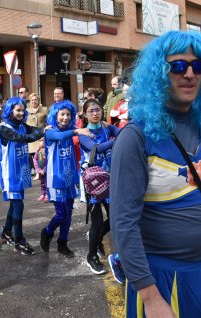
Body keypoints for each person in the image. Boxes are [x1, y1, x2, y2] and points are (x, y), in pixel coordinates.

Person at [110, 30, 201, 317]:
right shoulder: (135, 137)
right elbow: (123, 223)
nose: (189, 73)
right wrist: (149, 295)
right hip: (164, 282)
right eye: (177, 66)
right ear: (159, 73)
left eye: (198, 65)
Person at [40, 100, 94, 258]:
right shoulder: (50, 131)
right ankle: (48, 231)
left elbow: (86, 133)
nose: (65, 117)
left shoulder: (73, 129)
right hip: (55, 178)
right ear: (55, 115)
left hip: (70, 178)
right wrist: (78, 132)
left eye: (68, 114)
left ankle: (62, 243)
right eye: (62, 114)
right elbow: (59, 136)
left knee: (69, 213)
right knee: (61, 213)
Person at [0, 96, 45, 255]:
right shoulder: (4, 128)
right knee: (18, 204)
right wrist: (40, 133)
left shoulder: (22, 125)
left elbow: (35, 131)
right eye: (17, 110)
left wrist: (42, 131)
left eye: (22, 110)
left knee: (15, 203)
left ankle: (6, 232)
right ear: (9, 111)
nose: (20, 113)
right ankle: (19, 240)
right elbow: (23, 137)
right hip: (10, 173)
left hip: (21, 171)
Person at [79, 98, 120, 275]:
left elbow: (122, 131)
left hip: (109, 180)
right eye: (91, 111)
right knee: (96, 221)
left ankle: (96, 239)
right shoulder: (83, 134)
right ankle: (91, 256)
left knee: (113, 218)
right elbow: (97, 148)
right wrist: (118, 140)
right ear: (85, 114)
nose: (95, 113)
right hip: (92, 183)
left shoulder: (107, 128)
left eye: (98, 110)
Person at [26, 93, 48, 179]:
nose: (34, 101)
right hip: (31, 135)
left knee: (41, 153)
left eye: (35, 100)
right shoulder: (26, 111)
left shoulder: (44, 109)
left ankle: (42, 171)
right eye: (32, 100)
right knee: (33, 154)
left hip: (41, 135)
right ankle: (37, 171)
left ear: (38, 101)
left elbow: (48, 121)